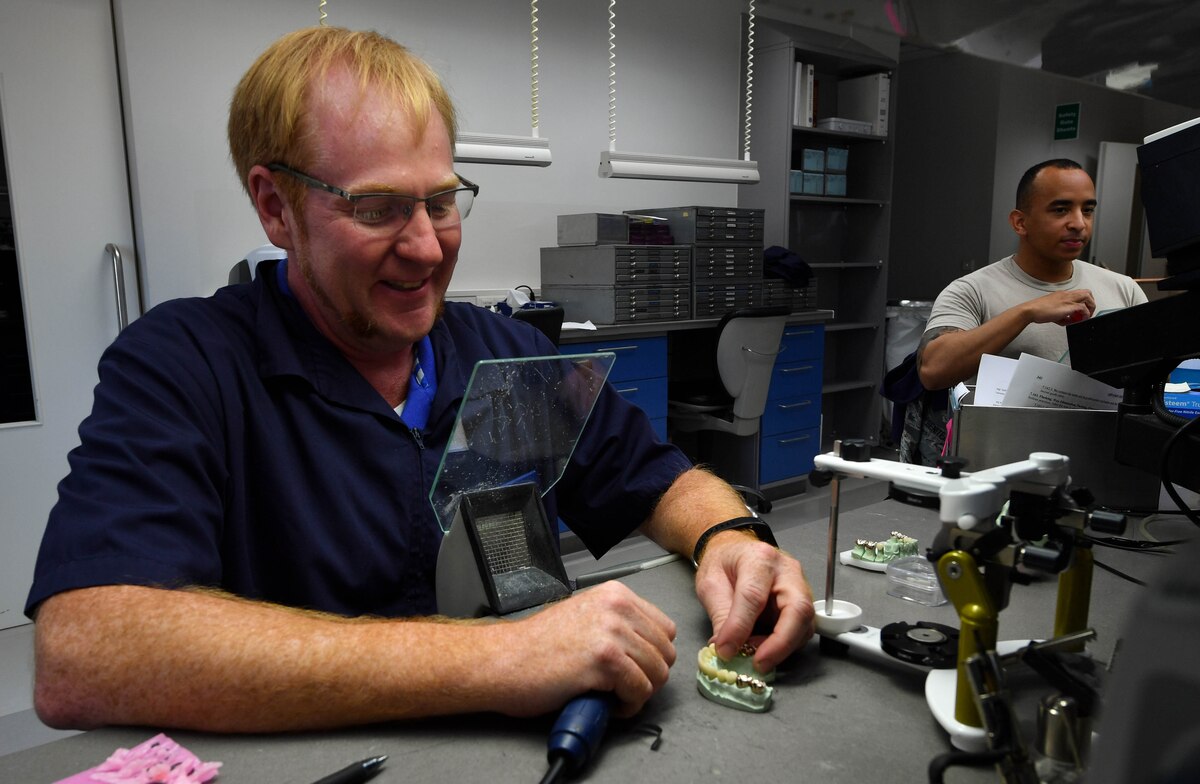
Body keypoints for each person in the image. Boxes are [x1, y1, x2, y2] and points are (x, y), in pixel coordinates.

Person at [24, 27, 813, 733]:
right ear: (275, 206)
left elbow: (660, 482)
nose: (428, 250)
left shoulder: (507, 358)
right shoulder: (186, 363)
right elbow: (88, 649)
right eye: (376, 209)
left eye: (440, 201)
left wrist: (728, 538)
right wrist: (497, 658)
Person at [900, 158, 1148, 465]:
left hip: (1097, 458)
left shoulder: (1124, 289)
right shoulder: (971, 290)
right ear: (1020, 222)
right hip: (1001, 465)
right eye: (1061, 209)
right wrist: (1026, 312)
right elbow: (933, 371)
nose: (1078, 223)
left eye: (1087, 210)